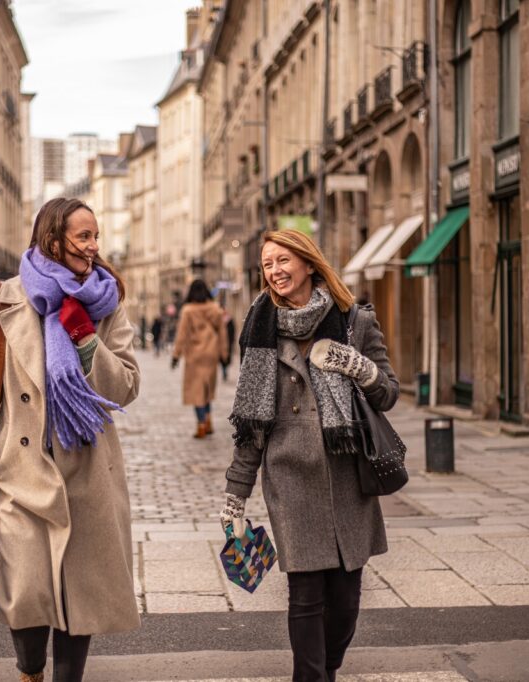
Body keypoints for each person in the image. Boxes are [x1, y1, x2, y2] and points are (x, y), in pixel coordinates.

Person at [0, 198, 141, 682]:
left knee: (81, 590)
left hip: (87, 465)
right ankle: (30, 669)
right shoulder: (4, 300)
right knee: (27, 586)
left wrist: (86, 340)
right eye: (84, 236)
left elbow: (127, 387)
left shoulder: (107, 300)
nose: (94, 247)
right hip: (23, 468)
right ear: (53, 239)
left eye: (96, 236)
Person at [220, 229, 399, 682]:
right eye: (267, 264)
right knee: (304, 596)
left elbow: (389, 394)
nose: (275, 271)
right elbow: (251, 425)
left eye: (282, 261)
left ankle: (327, 668)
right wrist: (234, 497)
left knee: (345, 603)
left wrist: (360, 368)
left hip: (347, 478)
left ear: (308, 264)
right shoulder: (259, 329)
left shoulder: (354, 321)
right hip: (291, 481)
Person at [171, 279, 229, 439]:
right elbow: (222, 333)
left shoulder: (188, 310)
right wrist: (224, 354)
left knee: (196, 390)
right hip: (211, 353)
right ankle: (209, 421)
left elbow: (181, 335)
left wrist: (176, 355)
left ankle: (201, 425)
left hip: (194, 355)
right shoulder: (216, 309)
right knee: (207, 388)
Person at [219, 307, 236, 381]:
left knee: (227, 357)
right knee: (221, 358)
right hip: (221, 343)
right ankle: (224, 370)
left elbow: (233, 331)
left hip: (229, 342)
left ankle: (225, 370)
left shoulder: (230, 320)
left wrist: (232, 341)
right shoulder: (219, 320)